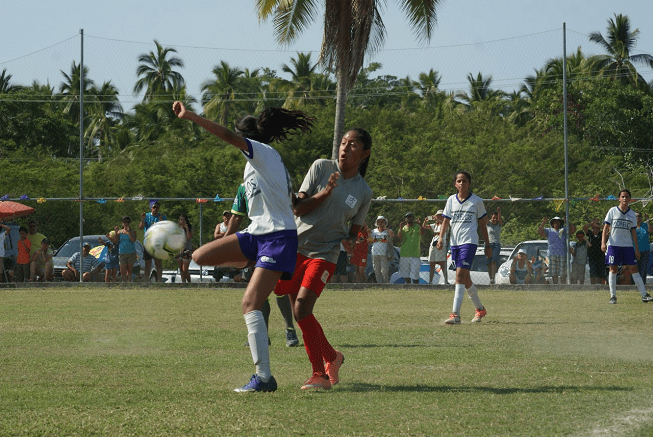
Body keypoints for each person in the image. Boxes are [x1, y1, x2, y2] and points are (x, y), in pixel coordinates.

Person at [174, 100, 313, 393]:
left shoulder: (262, 153)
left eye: (240, 139)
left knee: (250, 304)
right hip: (258, 235)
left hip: (277, 238)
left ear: (247, 137)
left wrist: (190, 116)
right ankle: (253, 262)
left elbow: (226, 136)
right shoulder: (256, 167)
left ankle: (264, 378)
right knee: (200, 255)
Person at [275, 127, 372, 390]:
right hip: (294, 248)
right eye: (343, 143)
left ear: (364, 154)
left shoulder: (364, 192)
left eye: (352, 145)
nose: (344, 148)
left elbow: (353, 230)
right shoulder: (320, 167)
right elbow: (299, 207)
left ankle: (319, 374)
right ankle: (333, 357)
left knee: (303, 308)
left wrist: (351, 242)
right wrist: (326, 193)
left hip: (325, 254)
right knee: (295, 309)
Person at [227, 183, 300, 348]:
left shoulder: (276, 178)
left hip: (279, 239)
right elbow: (236, 217)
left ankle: (290, 330)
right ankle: (262, 335)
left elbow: (295, 206)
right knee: (259, 291)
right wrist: (225, 240)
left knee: (280, 289)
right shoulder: (244, 187)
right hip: (257, 240)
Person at [436, 171, 490, 324]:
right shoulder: (451, 200)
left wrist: (487, 244)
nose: (461, 183)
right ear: (455, 184)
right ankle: (480, 309)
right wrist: (441, 238)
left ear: (469, 183)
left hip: (469, 242)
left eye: (464, 181)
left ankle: (455, 315)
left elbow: (482, 224)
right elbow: (446, 221)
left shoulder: (477, 201)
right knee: (465, 279)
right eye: (459, 181)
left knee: (459, 275)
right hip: (455, 244)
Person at [601, 189, 653, 304]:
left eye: (627, 197)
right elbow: (606, 228)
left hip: (628, 246)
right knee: (613, 269)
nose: (624, 199)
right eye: (622, 196)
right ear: (619, 198)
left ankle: (644, 295)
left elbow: (634, 232)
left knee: (634, 269)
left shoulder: (632, 214)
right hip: (614, 245)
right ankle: (613, 296)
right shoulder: (612, 211)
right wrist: (603, 242)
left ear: (630, 199)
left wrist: (637, 249)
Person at [538, 216, 576, 284]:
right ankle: (556, 286)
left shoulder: (564, 230)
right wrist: (543, 222)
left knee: (562, 273)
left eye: (558, 222)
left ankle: (563, 286)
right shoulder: (548, 231)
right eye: (554, 222)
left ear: (560, 223)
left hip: (562, 254)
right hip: (552, 254)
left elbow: (573, 230)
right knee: (553, 272)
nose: (556, 223)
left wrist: (568, 222)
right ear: (552, 224)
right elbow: (540, 231)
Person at [139, 200, 167, 282]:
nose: (155, 209)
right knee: (148, 263)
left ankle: (159, 281)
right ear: (151, 208)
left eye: (157, 207)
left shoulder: (162, 217)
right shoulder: (147, 216)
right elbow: (141, 227)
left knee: (158, 262)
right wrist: (143, 219)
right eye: (154, 207)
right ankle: (146, 280)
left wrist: (162, 222)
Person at [397, 212, 425, 284]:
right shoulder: (403, 228)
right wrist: (400, 227)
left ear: (413, 219)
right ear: (405, 219)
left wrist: (420, 224)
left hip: (415, 253)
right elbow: (399, 238)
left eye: (410, 217)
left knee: (415, 273)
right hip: (404, 253)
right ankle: (408, 286)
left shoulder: (417, 226)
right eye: (407, 217)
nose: (409, 219)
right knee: (405, 274)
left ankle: (416, 287)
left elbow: (422, 234)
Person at [425, 210, 449, 284]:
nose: (438, 216)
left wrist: (437, 219)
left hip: (441, 244)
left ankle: (446, 281)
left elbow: (444, 224)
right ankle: (430, 281)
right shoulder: (435, 225)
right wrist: (425, 221)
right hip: (434, 243)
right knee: (432, 263)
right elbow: (425, 227)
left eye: (440, 215)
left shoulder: (445, 224)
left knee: (442, 263)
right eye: (437, 215)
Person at [370, 216, 394, 283]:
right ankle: (379, 283)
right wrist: (373, 239)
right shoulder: (373, 231)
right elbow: (369, 240)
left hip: (384, 253)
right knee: (376, 270)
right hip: (375, 253)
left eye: (382, 221)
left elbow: (392, 235)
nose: (380, 222)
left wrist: (385, 228)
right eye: (378, 221)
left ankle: (385, 283)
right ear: (376, 222)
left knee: (384, 270)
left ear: (385, 222)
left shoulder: (387, 231)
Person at [583, 218, 607, 284]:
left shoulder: (602, 234)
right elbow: (584, 227)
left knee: (601, 272)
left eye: (596, 228)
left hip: (601, 256)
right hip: (592, 256)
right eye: (593, 228)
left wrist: (598, 226)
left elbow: (608, 229)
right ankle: (593, 286)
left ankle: (600, 285)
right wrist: (592, 223)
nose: (594, 230)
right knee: (593, 272)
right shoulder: (590, 234)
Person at [486, 207, 503, 284]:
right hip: (488, 244)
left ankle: (493, 277)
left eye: (495, 218)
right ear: (490, 218)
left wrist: (499, 212)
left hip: (496, 244)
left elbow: (500, 220)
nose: (494, 219)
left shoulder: (498, 225)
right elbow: (484, 218)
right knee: (488, 262)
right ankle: (490, 278)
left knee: (494, 261)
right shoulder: (488, 224)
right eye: (493, 218)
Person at [118, 216, 137, 283]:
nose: (126, 223)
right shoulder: (119, 232)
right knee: (123, 268)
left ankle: (129, 281)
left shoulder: (133, 231)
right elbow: (115, 241)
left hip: (131, 252)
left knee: (130, 268)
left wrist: (128, 232)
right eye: (124, 222)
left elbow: (133, 240)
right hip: (122, 252)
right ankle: (124, 281)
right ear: (122, 223)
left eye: (127, 222)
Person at [176, 214, 193, 283]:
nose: (182, 221)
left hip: (187, 250)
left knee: (185, 269)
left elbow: (189, 238)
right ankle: (183, 283)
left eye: (183, 220)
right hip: (179, 249)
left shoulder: (189, 227)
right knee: (181, 269)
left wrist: (187, 229)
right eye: (180, 219)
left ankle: (189, 282)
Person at [635, 211, 650, 284]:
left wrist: (647, 220)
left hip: (645, 250)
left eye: (639, 216)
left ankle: (642, 284)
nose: (638, 218)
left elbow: (650, 230)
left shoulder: (645, 225)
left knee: (643, 268)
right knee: (635, 268)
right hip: (634, 250)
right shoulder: (632, 226)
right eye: (636, 216)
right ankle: (634, 284)